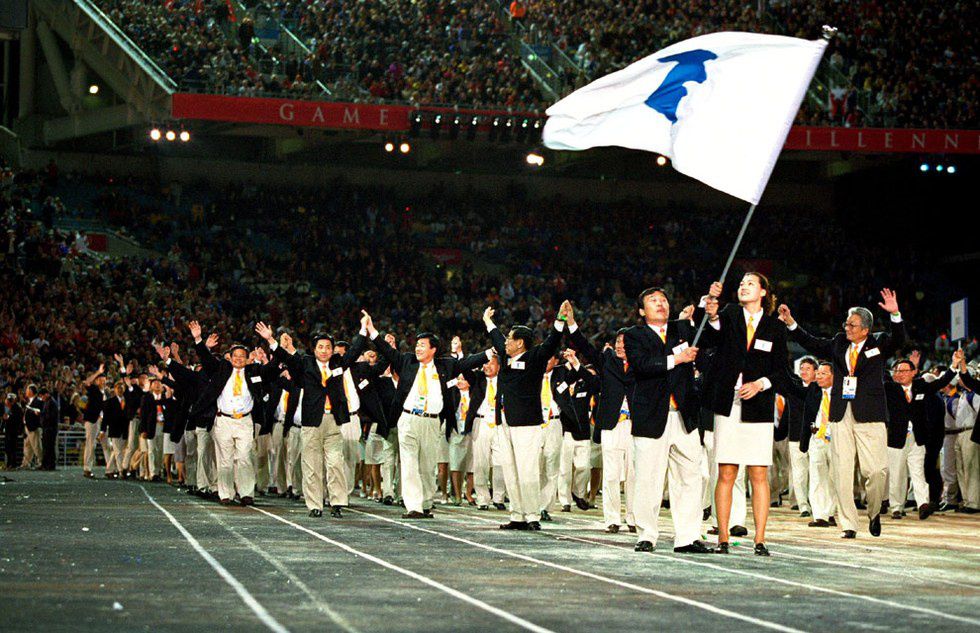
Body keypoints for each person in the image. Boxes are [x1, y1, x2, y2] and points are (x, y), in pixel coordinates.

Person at [778, 287, 906, 538]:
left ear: (866, 329)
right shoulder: (838, 342)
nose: (847, 328)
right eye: (846, 323)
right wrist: (792, 323)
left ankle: (874, 511)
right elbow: (813, 342)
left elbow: (899, 340)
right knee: (841, 472)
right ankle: (848, 524)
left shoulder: (879, 343)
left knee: (876, 471)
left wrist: (895, 315)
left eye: (852, 325)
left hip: (870, 415)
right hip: (840, 414)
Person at [366, 311, 492, 520]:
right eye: (417, 345)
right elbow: (387, 351)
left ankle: (425, 503)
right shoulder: (407, 361)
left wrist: (491, 352)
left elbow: (468, 362)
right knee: (409, 464)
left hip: (432, 422)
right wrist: (371, 330)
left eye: (422, 345)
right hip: (408, 419)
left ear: (433, 349)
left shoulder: (445, 366)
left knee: (427, 465)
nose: (418, 348)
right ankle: (413, 506)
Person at [701, 273, 794, 556]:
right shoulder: (729, 314)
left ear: (763, 292)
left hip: (759, 407)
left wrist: (760, 384)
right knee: (726, 472)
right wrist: (711, 311)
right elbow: (710, 336)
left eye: (750, 283)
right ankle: (723, 537)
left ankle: (760, 539)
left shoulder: (775, 327)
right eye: (741, 283)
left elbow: (781, 371)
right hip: (729, 404)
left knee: (758, 473)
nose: (743, 286)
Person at [624, 287, 713, 554]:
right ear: (642, 311)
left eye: (663, 300)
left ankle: (688, 536)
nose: (660, 304)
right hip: (651, 417)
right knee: (648, 479)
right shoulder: (634, 335)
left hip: (684, 416)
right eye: (653, 301)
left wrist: (704, 305)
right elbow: (642, 365)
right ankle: (646, 534)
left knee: (690, 477)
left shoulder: (681, 329)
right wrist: (677, 358)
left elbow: (704, 338)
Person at [263, 319, 366, 518]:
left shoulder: (338, 363)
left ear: (333, 350)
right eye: (321, 347)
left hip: (333, 420)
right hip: (311, 422)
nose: (324, 350)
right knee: (311, 465)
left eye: (328, 347)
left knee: (335, 463)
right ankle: (314, 505)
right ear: (314, 349)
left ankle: (337, 502)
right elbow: (286, 357)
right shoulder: (306, 363)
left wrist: (363, 329)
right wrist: (271, 340)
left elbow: (354, 352)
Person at [483, 303, 565, 530]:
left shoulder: (535, 357)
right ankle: (517, 515)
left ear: (520, 343)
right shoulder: (506, 356)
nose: (506, 342)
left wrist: (560, 320)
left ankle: (532, 516)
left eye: (510, 339)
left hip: (527, 423)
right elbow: (496, 338)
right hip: (504, 421)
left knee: (527, 470)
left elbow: (551, 342)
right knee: (509, 470)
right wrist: (487, 321)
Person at [191, 321, 280, 506]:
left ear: (248, 359)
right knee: (224, 460)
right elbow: (206, 360)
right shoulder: (221, 370)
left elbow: (272, 370)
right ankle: (226, 494)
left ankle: (246, 493)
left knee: (245, 457)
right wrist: (198, 339)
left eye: (242, 356)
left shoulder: (254, 371)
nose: (239, 359)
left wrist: (271, 340)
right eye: (235, 356)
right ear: (230, 358)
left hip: (245, 421)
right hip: (223, 420)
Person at [566, 317, 637, 533]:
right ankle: (612, 519)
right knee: (611, 474)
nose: (620, 346)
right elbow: (586, 347)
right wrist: (572, 323)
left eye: (624, 343)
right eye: (618, 342)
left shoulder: (641, 364)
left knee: (634, 475)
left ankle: (633, 518)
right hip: (611, 425)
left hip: (635, 426)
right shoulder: (607, 361)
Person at [884, 353, 958, 519]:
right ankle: (896, 507)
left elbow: (940, 383)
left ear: (913, 372)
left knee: (918, 471)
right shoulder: (889, 388)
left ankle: (923, 504)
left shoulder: (920, 386)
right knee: (897, 474)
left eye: (904, 371)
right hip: (896, 439)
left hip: (918, 438)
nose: (900, 374)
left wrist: (953, 366)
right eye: (897, 371)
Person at [785, 357, 819, 518]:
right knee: (799, 474)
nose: (804, 371)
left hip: (816, 436)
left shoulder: (821, 390)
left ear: (816, 371)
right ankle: (803, 506)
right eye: (802, 368)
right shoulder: (794, 388)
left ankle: (817, 504)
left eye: (808, 368)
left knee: (816, 472)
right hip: (796, 436)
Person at [22, 385, 42, 469]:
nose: (26, 392)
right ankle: (26, 463)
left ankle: (41, 462)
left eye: (27, 390)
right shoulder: (29, 401)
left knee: (36, 446)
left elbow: (37, 413)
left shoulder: (37, 401)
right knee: (27, 446)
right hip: (28, 427)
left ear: (31, 391)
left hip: (33, 427)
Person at [39, 389, 59, 470]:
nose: (42, 398)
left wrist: (41, 415)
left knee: (49, 447)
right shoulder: (49, 402)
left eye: (42, 396)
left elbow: (50, 416)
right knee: (47, 447)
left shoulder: (51, 403)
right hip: (48, 428)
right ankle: (46, 464)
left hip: (50, 428)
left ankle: (49, 464)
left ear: (46, 394)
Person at [3, 394, 23, 469]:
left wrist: (8, 418)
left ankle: (13, 464)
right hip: (8, 431)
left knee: (12, 448)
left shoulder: (16, 408)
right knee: (8, 448)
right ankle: (9, 463)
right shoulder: (8, 408)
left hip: (13, 431)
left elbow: (17, 419)